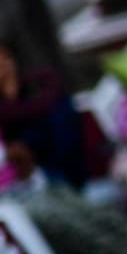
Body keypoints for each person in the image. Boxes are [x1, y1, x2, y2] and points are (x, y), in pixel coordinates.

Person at [0, 43, 86, 188]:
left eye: (4, 59)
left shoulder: (38, 79)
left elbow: (53, 93)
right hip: (29, 155)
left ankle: (70, 179)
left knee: (60, 112)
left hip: (54, 145)